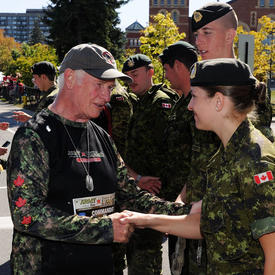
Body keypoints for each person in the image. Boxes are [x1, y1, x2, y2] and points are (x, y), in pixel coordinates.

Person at [7, 43, 192, 275]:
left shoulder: (101, 136)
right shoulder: (34, 136)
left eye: (110, 87)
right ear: (71, 78)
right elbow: (27, 215)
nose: (107, 96)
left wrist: (185, 212)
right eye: (100, 86)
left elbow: (130, 195)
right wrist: (105, 228)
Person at [122, 58, 275, 274]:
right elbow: (204, 224)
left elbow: (273, 252)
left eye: (194, 97)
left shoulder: (254, 159)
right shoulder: (226, 152)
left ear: (218, 101)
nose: (190, 105)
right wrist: (142, 219)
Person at [122, 54, 179, 275]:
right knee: (135, 253)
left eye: (135, 75)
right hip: (137, 189)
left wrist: (161, 192)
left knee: (145, 257)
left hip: (151, 191)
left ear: (151, 72)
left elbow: (169, 152)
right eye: (127, 77)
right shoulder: (140, 101)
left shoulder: (160, 102)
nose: (131, 81)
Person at [191, 1, 273, 142]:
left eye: (207, 32)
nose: (198, 41)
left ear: (229, 35)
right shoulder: (198, 87)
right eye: (197, 34)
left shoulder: (250, 90)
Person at [158, 41, 201, 274]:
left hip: (190, 205)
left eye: (166, 69)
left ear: (177, 65)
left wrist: (180, 198)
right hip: (176, 204)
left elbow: (202, 158)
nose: (166, 75)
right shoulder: (180, 102)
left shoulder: (197, 103)